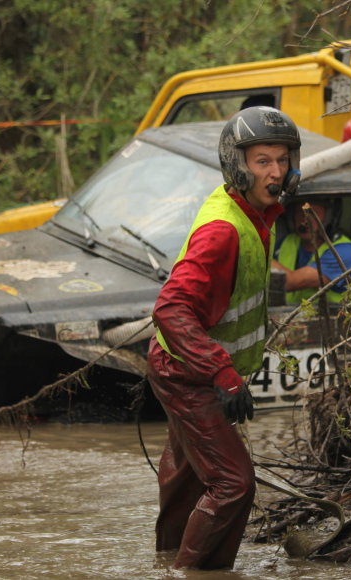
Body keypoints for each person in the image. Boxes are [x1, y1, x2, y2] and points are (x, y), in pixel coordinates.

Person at [146, 106, 300, 570]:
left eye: (282, 160)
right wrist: (225, 374)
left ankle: (166, 560)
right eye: (262, 162)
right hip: (188, 373)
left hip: (193, 367)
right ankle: (191, 573)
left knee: (186, 480)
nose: (276, 173)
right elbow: (171, 307)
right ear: (238, 165)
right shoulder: (222, 231)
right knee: (234, 484)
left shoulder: (256, 211)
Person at [272, 200, 351, 303]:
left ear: (329, 217)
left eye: (313, 213)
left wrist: (258, 254)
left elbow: (290, 282)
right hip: (284, 316)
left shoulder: (347, 252)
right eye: (299, 213)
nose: (305, 220)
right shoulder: (287, 241)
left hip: (330, 318)